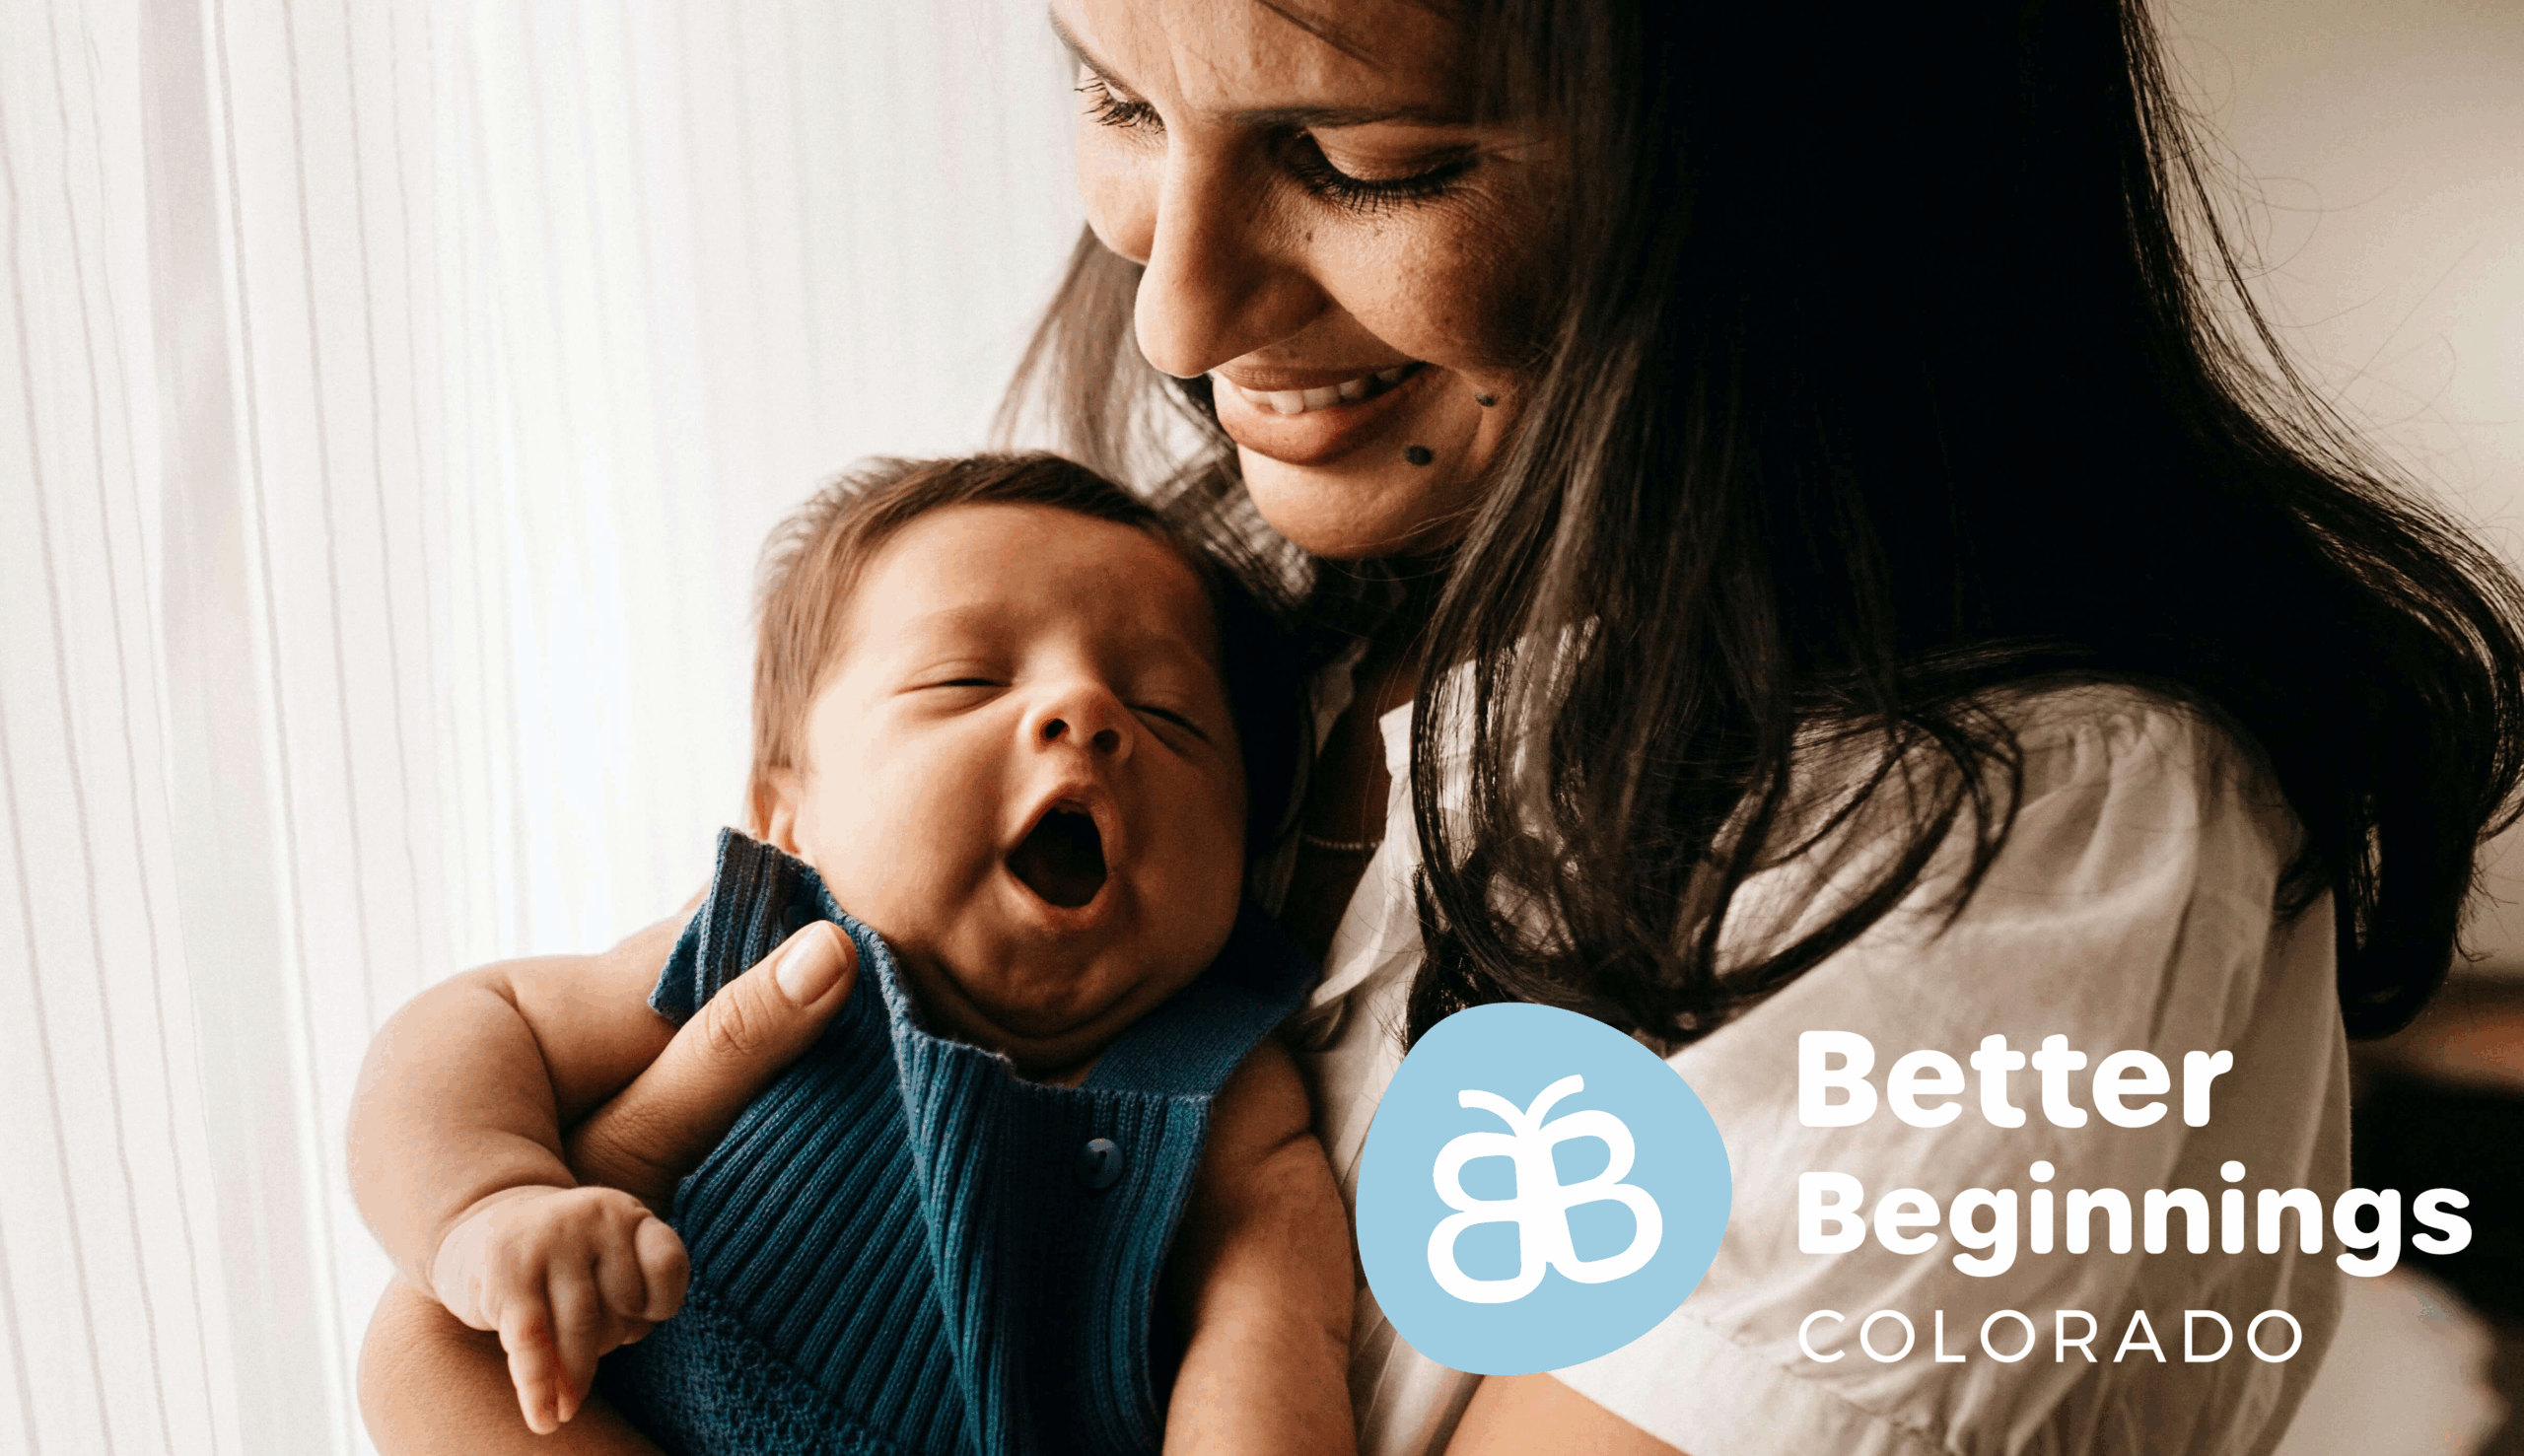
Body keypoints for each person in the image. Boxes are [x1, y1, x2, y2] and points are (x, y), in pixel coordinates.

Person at [360, 2, 2524, 1454]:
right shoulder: (1233, 643)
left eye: (1368, 155)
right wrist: (474, 1264)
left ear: (1807, 170)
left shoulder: (2017, 847)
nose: (1177, 315)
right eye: (1116, 97)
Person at [350, 455, 1354, 1455]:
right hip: (642, 1396)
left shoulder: (1224, 1092)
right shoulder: (763, 950)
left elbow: (1269, 1334)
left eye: (1168, 714)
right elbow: (478, 1024)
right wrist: (492, 1202)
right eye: (966, 680)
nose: (1084, 713)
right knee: (421, 1362)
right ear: (788, 817)